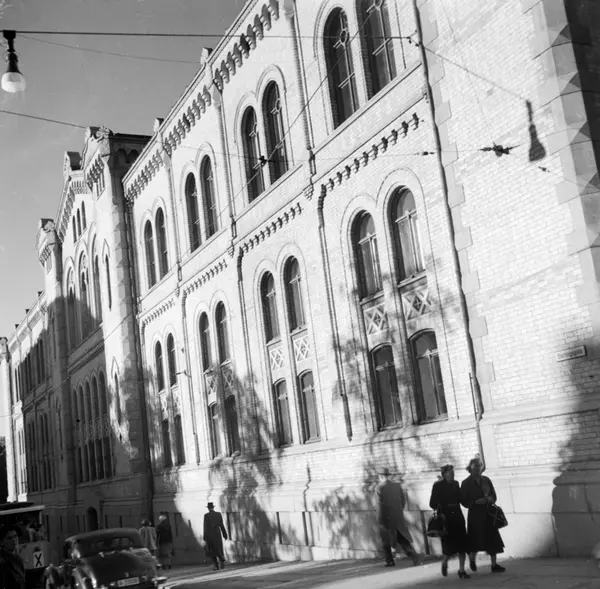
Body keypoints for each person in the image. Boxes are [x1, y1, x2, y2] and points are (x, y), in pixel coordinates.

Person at [460, 457, 506, 573]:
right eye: (475, 466)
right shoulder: (466, 483)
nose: (477, 469)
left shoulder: (486, 480)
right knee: (475, 540)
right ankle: (472, 560)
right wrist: (474, 502)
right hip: (475, 515)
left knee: (492, 540)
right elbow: (463, 501)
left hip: (488, 513)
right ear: (470, 468)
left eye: (479, 466)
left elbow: (493, 495)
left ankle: (494, 565)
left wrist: (488, 499)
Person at [429, 464, 470, 579]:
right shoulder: (438, 485)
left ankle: (462, 570)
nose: (453, 474)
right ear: (444, 474)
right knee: (449, 545)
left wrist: (470, 502)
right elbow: (432, 503)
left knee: (462, 545)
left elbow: (461, 499)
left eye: (453, 472)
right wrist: (440, 507)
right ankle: (445, 562)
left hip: (458, 516)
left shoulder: (456, 484)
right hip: (446, 518)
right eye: (450, 472)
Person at [376, 467, 421, 567]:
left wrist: (379, 519)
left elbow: (379, 506)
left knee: (386, 539)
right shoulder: (397, 486)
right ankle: (413, 554)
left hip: (385, 518)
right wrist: (398, 511)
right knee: (401, 537)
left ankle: (389, 560)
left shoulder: (379, 488)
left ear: (381, 476)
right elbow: (403, 501)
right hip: (397, 516)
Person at [203, 502, 228, 571]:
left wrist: (205, 538)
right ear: (213, 507)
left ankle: (216, 565)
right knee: (218, 548)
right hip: (217, 533)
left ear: (208, 508)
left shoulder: (206, 516)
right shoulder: (218, 514)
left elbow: (205, 527)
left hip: (210, 534)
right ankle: (221, 560)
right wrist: (224, 534)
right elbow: (222, 525)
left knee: (212, 550)